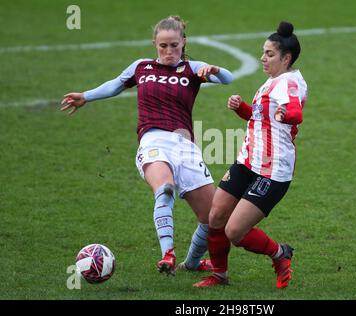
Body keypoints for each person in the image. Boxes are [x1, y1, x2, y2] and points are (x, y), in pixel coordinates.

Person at [60, 16, 233, 276]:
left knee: (213, 218)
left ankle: (193, 263)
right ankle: (167, 253)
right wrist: (86, 96)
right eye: (163, 46)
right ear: (154, 44)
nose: (168, 51)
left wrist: (215, 70)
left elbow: (228, 79)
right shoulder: (142, 67)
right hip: (154, 141)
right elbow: (115, 85)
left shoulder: (191, 68)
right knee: (164, 189)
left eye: (174, 45)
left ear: (183, 42)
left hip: (185, 147)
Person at [193, 21, 307, 288]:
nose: (262, 58)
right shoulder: (271, 82)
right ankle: (219, 275)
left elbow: (296, 113)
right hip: (248, 160)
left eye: (269, 54)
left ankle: (280, 254)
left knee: (234, 231)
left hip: (273, 169)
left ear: (286, 58)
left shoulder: (290, 83)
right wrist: (241, 107)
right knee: (216, 216)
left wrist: (285, 114)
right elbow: (259, 118)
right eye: (263, 52)